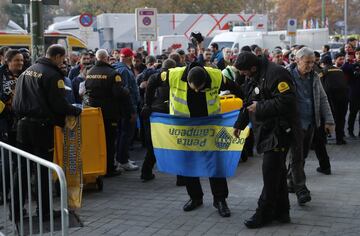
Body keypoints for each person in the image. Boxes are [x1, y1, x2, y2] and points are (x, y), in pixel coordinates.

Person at [161, 62, 242, 217]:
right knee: (188, 165)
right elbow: (152, 81)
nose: (197, 90)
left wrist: (245, 100)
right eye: (194, 88)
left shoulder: (216, 75)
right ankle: (195, 198)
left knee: (215, 165)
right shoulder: (174, 74)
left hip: (209, 129)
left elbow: (234, 87)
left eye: (200, 88)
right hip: (186, 131)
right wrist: (147, 104)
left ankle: (220, 200)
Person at [12, 44, 82, 221]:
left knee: (22, 170)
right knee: (43, 170)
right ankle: (44, 211)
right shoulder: (52, 75)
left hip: (22, 126)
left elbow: (16, 100)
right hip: (41, 128)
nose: (63, 62)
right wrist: (75, 110)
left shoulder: (28, 71)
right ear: (57, 57)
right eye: (63, 58)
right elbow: (58, 104)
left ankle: (16, 210)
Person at [233, 51, 296, 228]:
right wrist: (239, 124)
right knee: (278, 174)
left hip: (279, 132)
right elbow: (248, 103)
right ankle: (282, 212)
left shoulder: (277, 73)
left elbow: (288, 101)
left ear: (253, 67)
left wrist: (260, 107)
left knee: (270, 174)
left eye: (245, 72)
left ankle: (263, 213)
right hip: (265, 130)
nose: (243, 75)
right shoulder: (254, 76)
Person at [287, 47, 334, 205]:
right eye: (307, 62)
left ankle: (290, 181)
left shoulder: (314, 76)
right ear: (297, 60)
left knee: (302, 156)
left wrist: (329, 121)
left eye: (313, 63)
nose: (310, 66)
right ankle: (301, 189)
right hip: (294, 124)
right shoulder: (287, 76)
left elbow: (323, 98)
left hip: (311, 123)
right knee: (297, 157)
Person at [85, 49, 131, 176]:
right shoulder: (112, 73)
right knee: (110, 141)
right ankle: (109, 168)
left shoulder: (90, 72)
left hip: (94, 112)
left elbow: (86, 91)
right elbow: (118, 93)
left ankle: (99, 165)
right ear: (106, 58)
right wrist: (126, 90)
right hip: (110, 113)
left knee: (98, 141)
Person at [140, 58, 177, 181]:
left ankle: (146, 171)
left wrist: (147, 107)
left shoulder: (154, 77)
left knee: (154, 145)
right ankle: (181, 177)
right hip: (171, 115)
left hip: (155, 115)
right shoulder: (176, 78)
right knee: (175, 146)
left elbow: (148, 95)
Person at [0, 49, 24, 204]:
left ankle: (16, 192)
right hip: (4, 124)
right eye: (17, 60)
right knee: (6, 162)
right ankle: (4, 193)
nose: (20, 63)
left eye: (21, 60)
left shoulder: (23, 75)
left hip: (19, 123)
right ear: (7, 61)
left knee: (17, 161)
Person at [113, 48, 140, 171]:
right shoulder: (124, 70)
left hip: (121, 109)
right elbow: (127, 93)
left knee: (122, 135)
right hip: (127, 109)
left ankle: (122, 158)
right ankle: (123, 161)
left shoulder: (118, 68)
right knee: (125, 135)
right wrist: (132, 111)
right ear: (129, 57)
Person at [319, 56, 348, 145]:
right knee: (341, 118)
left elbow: (320, 85)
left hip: (330, 97)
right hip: (344, 97)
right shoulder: (340, 70)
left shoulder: (323, 71)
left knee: (327, 118)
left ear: (323, 63)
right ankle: (340, 139)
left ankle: (324, 139)